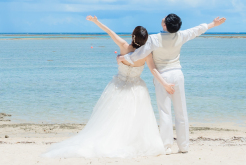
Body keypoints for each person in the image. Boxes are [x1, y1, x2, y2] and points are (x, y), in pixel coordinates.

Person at [42, 16, 174, 158]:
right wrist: (165, 84)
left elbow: (109, 32)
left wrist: (96, 21)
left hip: (118, 86)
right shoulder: (147, 54)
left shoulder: (124, 46)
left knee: (113, 118)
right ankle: (130, 141)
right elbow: (154, 70)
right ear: (145, 40)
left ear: (132, 36)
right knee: (134, 119)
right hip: (137, 89)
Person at [118, 14, 226, 154]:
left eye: (164, 19)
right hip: (177, 75)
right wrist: (213, 24)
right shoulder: (180, 35)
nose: (163, 18)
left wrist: (124, 57)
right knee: (181, 112)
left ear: (164, 25)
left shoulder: (154, 38)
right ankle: (184, 146)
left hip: (163, 76)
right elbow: (197, 30)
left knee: (165, 112)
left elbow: (139, 54)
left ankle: (167, 146)